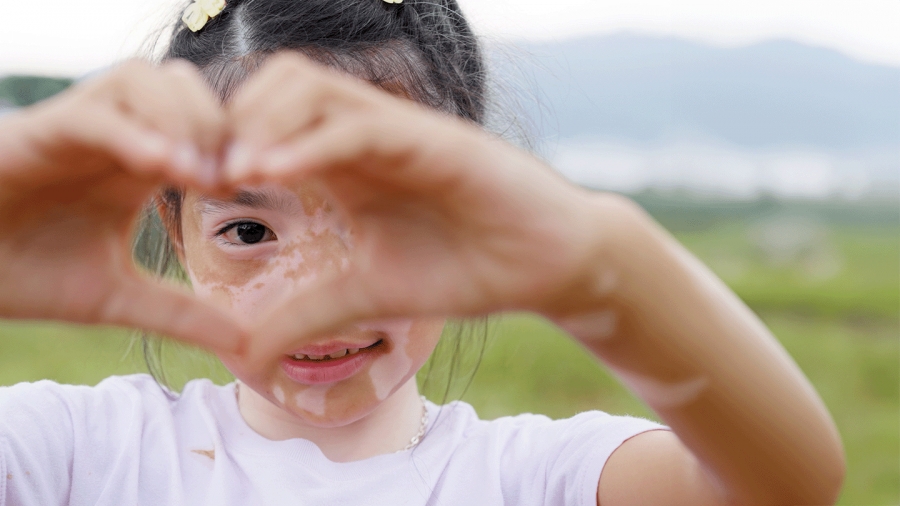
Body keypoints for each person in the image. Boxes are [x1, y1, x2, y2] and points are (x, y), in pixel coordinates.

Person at [0, 0, 845, 504]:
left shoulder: (536, 478)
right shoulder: (76, 453)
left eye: (384, 223)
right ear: (174, 229)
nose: (312, 293)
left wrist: (604, 262)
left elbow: (782, 486)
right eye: (249, 233)